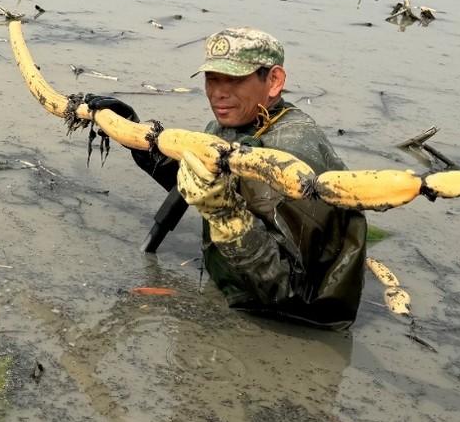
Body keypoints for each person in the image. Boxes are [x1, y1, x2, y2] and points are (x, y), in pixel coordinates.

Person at [88, 27, 367, 329]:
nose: (219, 93)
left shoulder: (291, 155)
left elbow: (290, 290)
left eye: (234, 80)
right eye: (212, 79)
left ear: (274, 81)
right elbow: (192, 184)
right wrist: (137, 138)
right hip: (237, 293)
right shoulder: (238, 124)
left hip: (279, 321)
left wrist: (226, 216)